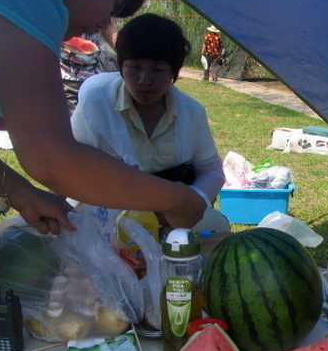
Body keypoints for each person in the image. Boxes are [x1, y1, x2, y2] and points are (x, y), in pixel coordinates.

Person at [0, 0, 206, 235]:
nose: (105, 22)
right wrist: (176, 198)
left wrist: (22, 193)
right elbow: (52, 159)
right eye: (114, 4)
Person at [71, 13, 227, 229]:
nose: (144, 81)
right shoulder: (96, 103)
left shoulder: (191, 112)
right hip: (105, 219)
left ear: (174, 72)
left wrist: (190, 201)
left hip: (170, 224)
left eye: (158, 70)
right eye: (134, 67)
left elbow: (212, 172)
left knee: (218, 226)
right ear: (121, 65)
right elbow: (72, 169)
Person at [61, 20, 120, 113]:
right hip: (64, 78)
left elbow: (107, 26)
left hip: (95, 76)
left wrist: (130, 54)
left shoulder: (99, 7)